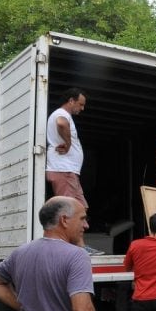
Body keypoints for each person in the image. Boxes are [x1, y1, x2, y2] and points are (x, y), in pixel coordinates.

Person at [45, 87, 103, 256]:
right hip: (63, 170)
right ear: (71, 101)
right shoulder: (60, 115)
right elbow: (61, 124)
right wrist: (68, 143)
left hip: (69, 172)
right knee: (68, 211)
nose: (82, 108)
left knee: (81, 208)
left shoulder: (65, 115)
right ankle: (67, 248)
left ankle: (80, 246)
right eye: (80, 104)